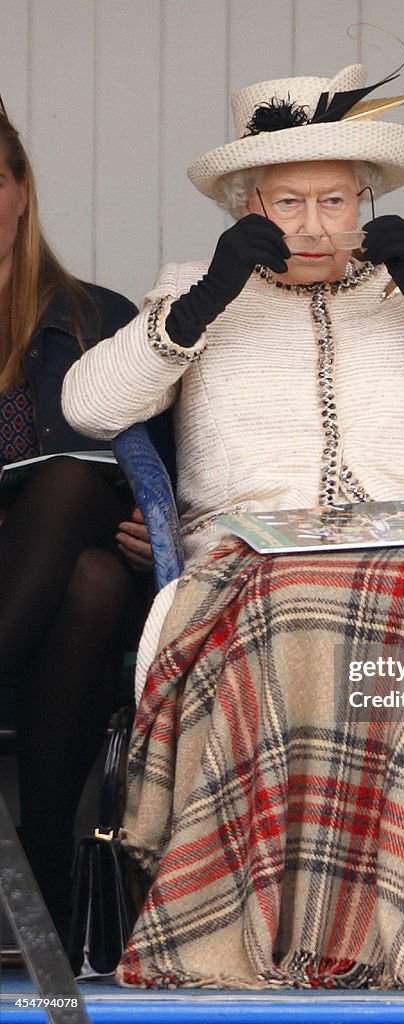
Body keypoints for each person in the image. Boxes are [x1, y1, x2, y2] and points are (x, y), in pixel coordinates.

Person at [62, 63, 404, 990]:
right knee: (294, 614)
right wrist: (201, 305)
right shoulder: (192, 286)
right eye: (289, 202)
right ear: (246, 205)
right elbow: (88, 404)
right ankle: (286, 930)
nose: (315, 225)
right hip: (254, 556)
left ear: (366, 204)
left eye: (335, 200)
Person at [0, 104, 151, 940]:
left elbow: (164, 470)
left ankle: (47, 863)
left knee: (94, 572)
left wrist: (145, 520)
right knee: (84, 575)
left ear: (22, 193)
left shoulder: (101, 319)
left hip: (77, 582)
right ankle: (46, 871)